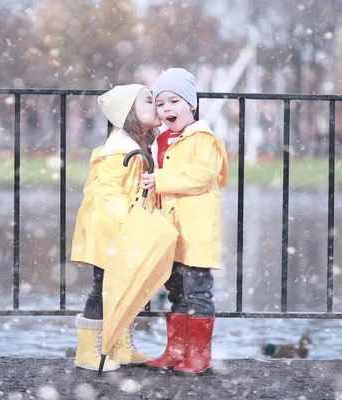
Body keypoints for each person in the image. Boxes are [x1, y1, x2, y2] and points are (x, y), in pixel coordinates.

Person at [140, 68, 228, 376]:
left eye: (174, 102)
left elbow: (202, 176)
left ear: (190, 104)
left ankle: (199, 355)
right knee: (175, 291)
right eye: (161, 104)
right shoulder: (160, 140)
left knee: (197, 292)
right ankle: (176, 350)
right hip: (170, 232)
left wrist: (159, 180)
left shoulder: (203, 138)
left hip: (195, 231)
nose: (167, 109)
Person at [71, 84, 161, 371]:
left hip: (127, 228)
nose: (157, 103)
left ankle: (120, 347)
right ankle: (89, 352)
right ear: (129, 113)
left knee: (126, 289)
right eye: (149, 100)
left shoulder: (141, 145)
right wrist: (125, 227)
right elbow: (110, 195)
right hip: (113, 231)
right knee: (103, 289)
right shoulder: (118, 151)